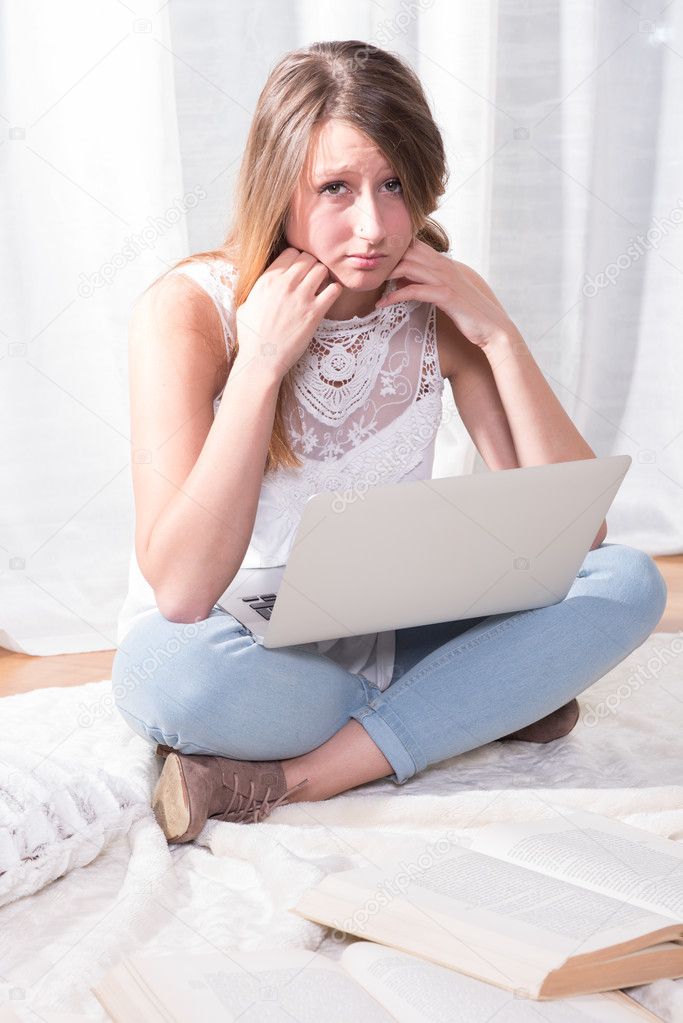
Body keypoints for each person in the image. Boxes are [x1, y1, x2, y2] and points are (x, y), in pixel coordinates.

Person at [111, 40, 668, 844]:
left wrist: (500, 335)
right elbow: (183, 593)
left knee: (626, 584)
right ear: (279, 187)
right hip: (237, 643)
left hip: (389, 630)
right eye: (334, 188)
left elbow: (578, 534)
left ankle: (296, 776)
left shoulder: (435, 299)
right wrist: (263, 360)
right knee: (176, 681)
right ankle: (474, 702)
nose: (372, 226)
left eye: (394, 185)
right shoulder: (189, 312)